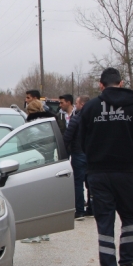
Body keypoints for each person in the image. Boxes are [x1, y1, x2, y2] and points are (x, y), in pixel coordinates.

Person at [79, 67, 133, 266]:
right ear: (121, 82)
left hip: (98, 174)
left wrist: (95, 156)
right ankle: (127, 265)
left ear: (100, 85)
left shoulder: (89, 108)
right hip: (125, 172)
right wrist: (128, 154)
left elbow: (80, 142)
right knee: (129, 217)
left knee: (105, 222)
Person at [20, 99, 57, 243]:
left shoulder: (29, 126)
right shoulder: (49, 124)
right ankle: (45, 232)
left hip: (34, 165)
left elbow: (23, 146)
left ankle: (33, 234)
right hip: (49, 164)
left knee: (32, 201)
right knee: (45, 200)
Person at [64, 95, 90, 221]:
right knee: (90, 182)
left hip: (78, 154)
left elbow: (67, 138)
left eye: (77, 103)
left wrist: (62, 151)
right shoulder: (94, 119)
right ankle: (92, 208)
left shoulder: (76, 119)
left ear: (82, 105)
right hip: (91, 154)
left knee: (78, 183)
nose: (76, 105)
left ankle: (79, 211)